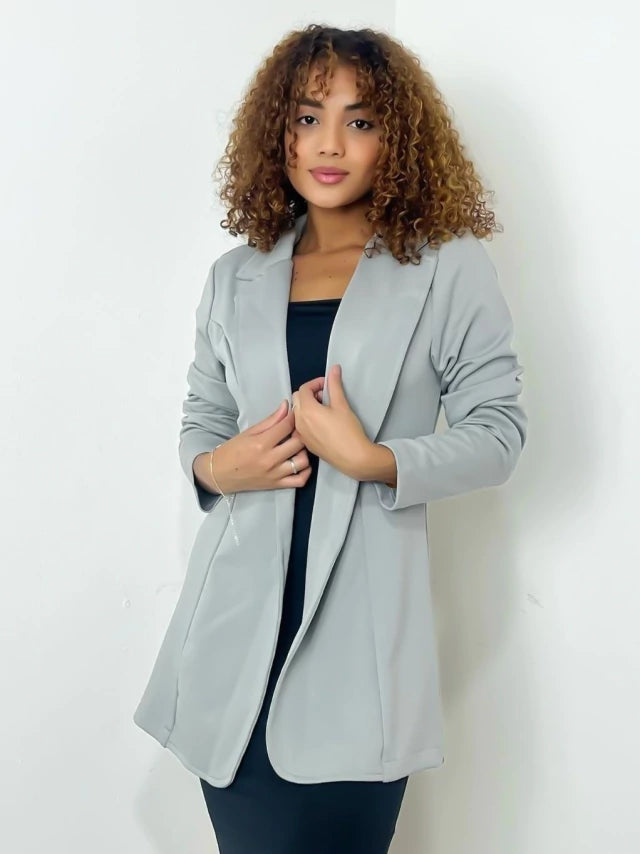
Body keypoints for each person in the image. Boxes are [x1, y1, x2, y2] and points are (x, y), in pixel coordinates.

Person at [133, 23, 528, 854]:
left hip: (360, 656)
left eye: (361, 121)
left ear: (398, 139)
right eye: (308, 118)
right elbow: (202, 414)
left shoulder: (446, 267)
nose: (329, 144)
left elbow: (498, 431)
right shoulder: (234, 276)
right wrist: (218, 467)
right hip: (231, 641)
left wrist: (373, 460)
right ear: (276, 130)